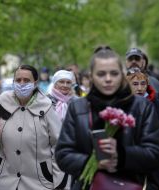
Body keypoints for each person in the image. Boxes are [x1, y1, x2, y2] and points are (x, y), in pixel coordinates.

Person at [55, 46, 159, 190]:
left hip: (130, 185)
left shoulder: (142, 107)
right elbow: (63, 154)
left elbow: (154, 153)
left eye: (114, 73)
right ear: (91, 76)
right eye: (101, 74)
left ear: (122, 75)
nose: (108, 79)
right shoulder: (78, 108)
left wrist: (121, 156)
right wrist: (91, 162)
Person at [0, 64, 68, 190]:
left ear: (35, 83)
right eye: (18, 80)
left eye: (26, 80)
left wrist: (59, 181)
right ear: (13, 82)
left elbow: (58, 145)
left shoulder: (47, 106)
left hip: (39, 182)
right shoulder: (2, 103)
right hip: (6, 181)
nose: (22, 84)